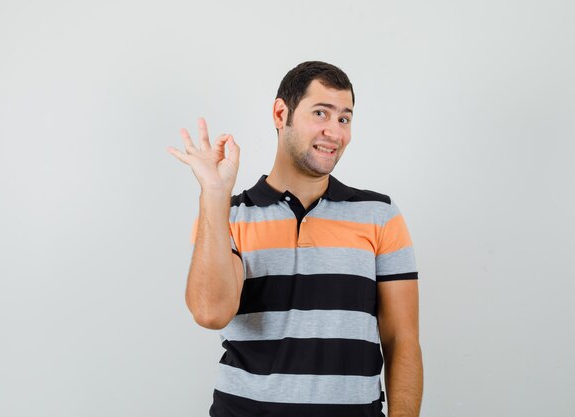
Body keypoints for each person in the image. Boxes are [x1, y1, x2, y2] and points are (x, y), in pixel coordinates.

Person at [167, 61, 423, 417]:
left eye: (344, 119)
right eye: (321, 113)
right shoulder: (227, 216)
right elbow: (210, 313)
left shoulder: (379, 214)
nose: (334, 132)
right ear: (280, 113)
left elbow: (403, 341)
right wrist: (214, 193)